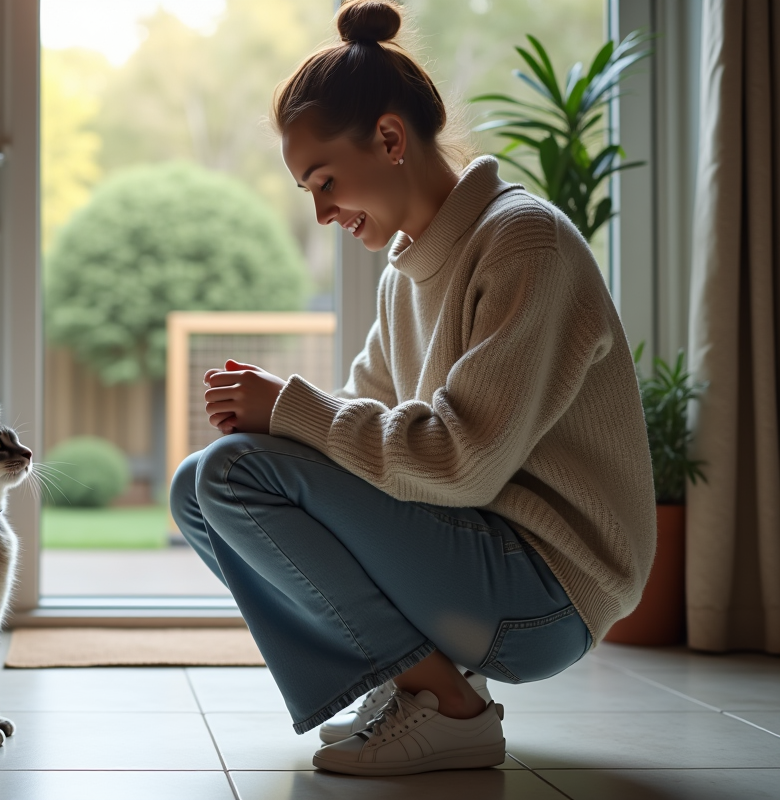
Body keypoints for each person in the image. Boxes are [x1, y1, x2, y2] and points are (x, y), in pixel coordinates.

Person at [169, 0, 656, 778]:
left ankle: (451, 709)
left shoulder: (523, 243)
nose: (321, 212)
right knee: (196, 488)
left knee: (232, 475)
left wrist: (289, 410)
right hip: (476, 556)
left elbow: (465, 462)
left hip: (547, 592)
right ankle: (413, 683)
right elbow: (354, 438)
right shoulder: (407, 274)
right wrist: (275, 426)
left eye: (325, 181)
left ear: (391, 140)